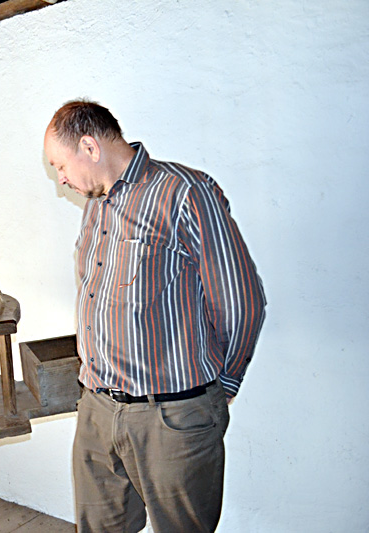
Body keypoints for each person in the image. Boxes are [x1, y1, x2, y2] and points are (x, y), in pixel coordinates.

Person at [43, 100, 266, 533]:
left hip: (171, 418)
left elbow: (241, 301)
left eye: (60, 165)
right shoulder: (97, 204)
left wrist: (224, 384)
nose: (61, 178)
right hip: (97, 408)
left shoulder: (184, 192)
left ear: (89, 147)